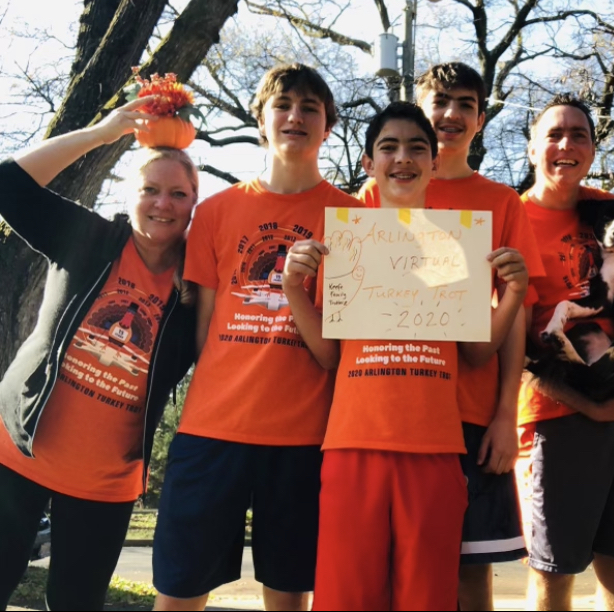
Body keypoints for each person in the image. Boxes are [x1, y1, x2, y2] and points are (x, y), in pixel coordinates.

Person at [283, 101, 529, 611]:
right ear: (369, 164)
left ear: (435, 163)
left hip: (436, 448)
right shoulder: (346, 242)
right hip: (352, 444)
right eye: (388, 147)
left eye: (418, 148)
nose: (403, 158)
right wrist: (293, 288)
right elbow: (329, 356)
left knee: (426, 597)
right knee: (346, 595)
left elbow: (479, 353)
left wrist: (512, 295)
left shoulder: (455, 244)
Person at [151, 64, 357, 612]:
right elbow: (204, 333)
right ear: (261, 120)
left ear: (327, 126)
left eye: (311, 107)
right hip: (210, 430)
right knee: (178, 591)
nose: (296, 116)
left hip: (304, 438)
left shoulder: (355, 219)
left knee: (290, 594)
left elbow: (337, 354)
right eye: (284, 104)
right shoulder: (215, 212)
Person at [0, 97, 197, 611]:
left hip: (105, 482)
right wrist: (101, 132)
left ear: (195, 206)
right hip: (15, 451)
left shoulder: (198, 288)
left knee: (76, 603)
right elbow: (7, 184)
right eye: (150, 190)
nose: (163, 203)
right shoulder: (87, 237)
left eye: (179, 194)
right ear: (131, 194)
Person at [360, 62, 544, 610]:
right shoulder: (370, 197)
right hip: (386, 415)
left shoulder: (503, 203)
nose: (452, 113)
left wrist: (505, 417)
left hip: (467, 412)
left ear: (481, 119)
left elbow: (513, 321)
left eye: (466, 103)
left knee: (468, 573)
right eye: (440, 100)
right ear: (420, 105)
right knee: (387, 570)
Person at [519, 93, 614, 611]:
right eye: (553, 134)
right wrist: (592, 408)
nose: (566, 145)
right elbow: (512, 349)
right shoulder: (511, 218)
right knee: (555, 576)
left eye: (579, 134)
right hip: (558, 420)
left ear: (593, 149)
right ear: (532, 147)